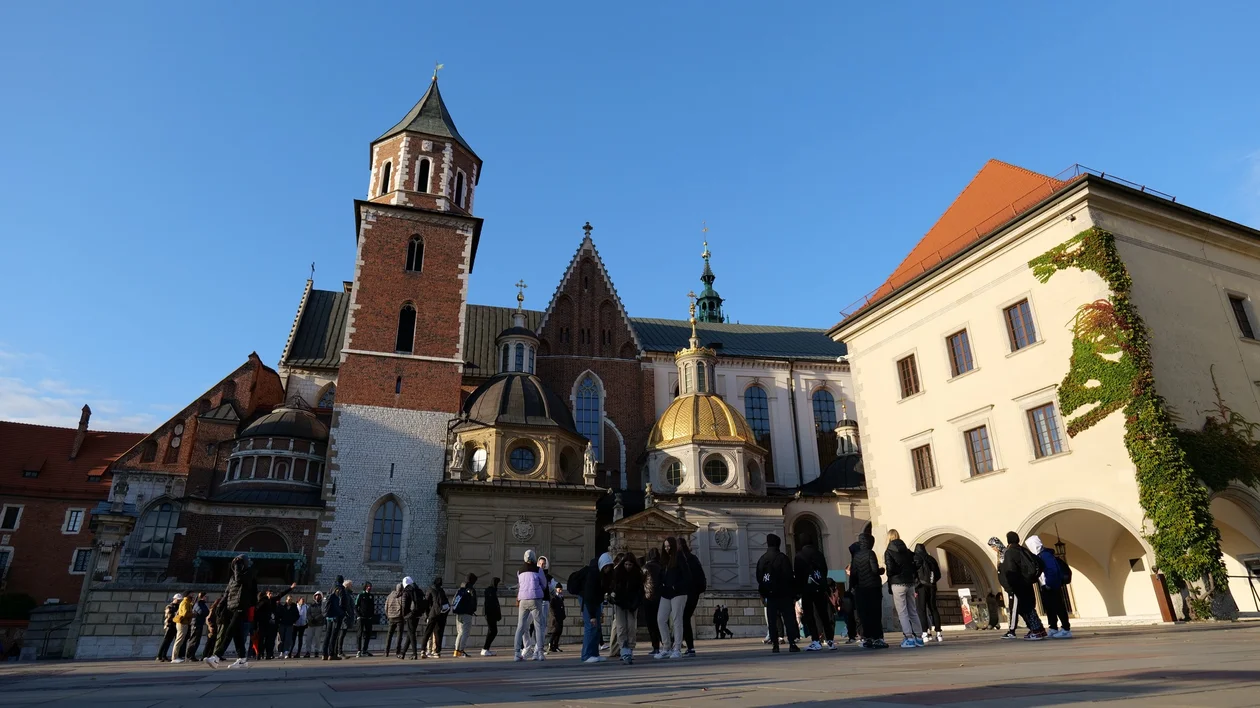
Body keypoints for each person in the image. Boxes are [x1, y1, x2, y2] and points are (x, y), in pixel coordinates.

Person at [204, 555, 272, 669]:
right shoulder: (233, 577)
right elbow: (227, 592)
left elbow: (240, 579)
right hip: (231, 606)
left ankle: (216, 657)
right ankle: (242, 659)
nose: (237, 566)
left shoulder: (249, 573)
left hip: (242, 606)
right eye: (236, 564)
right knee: (237, 634)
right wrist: (221, 605)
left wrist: (237, 566)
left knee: (229, 631)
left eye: (239, 564)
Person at [999, 531, 1048, 640]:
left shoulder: (1010, 552)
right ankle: (1040, 629)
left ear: (1008, 540)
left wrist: (1011, 586)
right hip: (1028, 583)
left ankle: (1035, 631)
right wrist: (1032, 578)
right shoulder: (1023, 549)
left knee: (1025, 608)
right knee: (1030, 607)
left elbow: (1011, 570)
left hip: (1018, 584)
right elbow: (1040, 562)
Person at [755, 533, 799, 654]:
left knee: (772, 620)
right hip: (784, 594)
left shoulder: (762, 559)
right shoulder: (783, 558)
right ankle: (792, 643)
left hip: (770, 595)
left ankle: (775, 644)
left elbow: (759, 577)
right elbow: (789, 576)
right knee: (789, 619)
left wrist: (764, 592)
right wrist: (793, 593)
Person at [1027, 535, 1072, 639]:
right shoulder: (1039, 555)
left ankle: (1066, 629)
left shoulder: (1045, 555)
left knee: (1058, 607)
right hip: (1045, 586)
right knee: (1050, 607)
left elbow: (1052, 571)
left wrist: (1049, 584)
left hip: (1052, 586)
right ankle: (1053, 627)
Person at [884, 529, 924, 648]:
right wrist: (911, 570)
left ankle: (908, 637)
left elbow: (890, 569)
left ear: (889, 538)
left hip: (897, 583)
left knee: (902, 612)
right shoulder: (906, 550)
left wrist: (897, 572)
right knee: (913, 610)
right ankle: (919, 637)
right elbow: (919, 559)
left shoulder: (889, 551)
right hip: (910, 583)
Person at [794, 535, 834, 651]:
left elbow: (798, 574)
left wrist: (798, 590)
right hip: (820, 588)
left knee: (810, 615)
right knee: (824, 614)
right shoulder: (819, 554)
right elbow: (825, 570)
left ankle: (816, 640)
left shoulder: (799, 555)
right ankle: (830, 640)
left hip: (807, 589)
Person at [655, 537, 691, 659]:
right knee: (661, 619)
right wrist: (661, 587)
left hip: (678, 593)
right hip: (666, 593)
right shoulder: (664, 560)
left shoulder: (680, 557)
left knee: (677, 620)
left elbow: (687, 576)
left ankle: (677, 648)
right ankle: (666, 647)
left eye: (669, 546)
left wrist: (676, 586)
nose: (667, 548)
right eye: (665, 546)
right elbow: (661, 576)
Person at [850, 532, 887, 649]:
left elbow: (853, 574)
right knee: (875, 614)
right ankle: (878, 638)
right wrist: (882, 570)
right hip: (873, 588)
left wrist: (852, 586)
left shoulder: (856, 555)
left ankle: (868, 638)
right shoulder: (870, 553)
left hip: (861, 590)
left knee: (864, 615)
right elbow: (875, 570)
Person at [577, 551, 614, 663]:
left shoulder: (604, 575)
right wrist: (592, 615)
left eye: (609, 567)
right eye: (606, 567)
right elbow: (589, 597)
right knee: (591, 626)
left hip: (594, 600)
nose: (608, 569)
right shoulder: (593, 575)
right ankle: (586, 655)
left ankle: (594, 654)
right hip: (587, 599)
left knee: (597, 628)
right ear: (602, 565)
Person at [609, 552, 644, 664]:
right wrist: (612, 597)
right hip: (620, 603)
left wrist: (635, 603)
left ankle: (630, 648)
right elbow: (612, 588)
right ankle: (624, 648)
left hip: (631, 604)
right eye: (626, 564)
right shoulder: (618, 573)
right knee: (621, 626)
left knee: (631, 627)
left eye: (630, 565)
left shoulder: (637, 574)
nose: (628, 567)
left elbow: (640, 591)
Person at [513, 549, 547, 662]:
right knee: (538, 626)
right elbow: (544, 584)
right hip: (535, 599)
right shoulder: (538, 570)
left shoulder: (519, 571)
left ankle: (517, 653)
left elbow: (519, 585)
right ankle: (540, 653)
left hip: (523, 599)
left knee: (520, 626)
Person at [677, 538, 706, 657]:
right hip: (694, 593)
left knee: (682, 619)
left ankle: (684, 645)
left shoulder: (680, 559)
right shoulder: (694, 558)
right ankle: (690, 647)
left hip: (684, 593)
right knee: (686, 618)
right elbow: (701, 575)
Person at [913, 543, 943, 643]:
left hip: (921, 587)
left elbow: (913, 573)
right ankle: (939, 633)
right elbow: (938, 575)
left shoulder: (916, 557)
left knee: (921, 610)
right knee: (933, 609)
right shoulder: (931, 559)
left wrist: (916, 584)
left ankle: (925, 633)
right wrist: (932, 582)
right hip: (932, 587)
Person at [642, 547, 664, 655]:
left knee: (651, 624)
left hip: (648, 598)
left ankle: (655, 647)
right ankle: (665, 644)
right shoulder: (661, 567)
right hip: (660, 598)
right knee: (661, 622)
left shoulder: (645, 567)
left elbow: (641, 581)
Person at [400, 576, 428, 659]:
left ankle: (414, 653)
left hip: (410, 614)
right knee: (410, 633)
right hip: (417, 613)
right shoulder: (418, 590)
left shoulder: (407, 591)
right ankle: (403, 653)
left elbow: (404, 605)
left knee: (411, 634)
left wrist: (404, 615)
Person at [422, 576, 450, 658]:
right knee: (438, 633)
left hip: (432, 614)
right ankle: (437, 652)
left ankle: (423, 650)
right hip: (441, 615)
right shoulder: (441, 591)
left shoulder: (430, 590)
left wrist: (426, 616)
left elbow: (426, 604)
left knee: (427, 632)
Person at [452, 573, 479, 658]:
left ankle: (456, 651)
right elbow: (474, 602)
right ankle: (462, 650)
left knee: (459, 632)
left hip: (458, 612)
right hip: (467, 613)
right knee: (465, 633)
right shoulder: (471, 589)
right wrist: (472, 610)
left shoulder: (460, 588)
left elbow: (454, 600)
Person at [321, 577, 347, 660]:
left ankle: (324, 654)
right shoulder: (340, 589)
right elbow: (343, 602)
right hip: (336, 615)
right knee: (334, 635)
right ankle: (331, 654)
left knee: (327, 635)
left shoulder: (331, 588)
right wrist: (343, 612)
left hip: (329, 615)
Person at [384, 582, 406, 658]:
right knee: (399, 635)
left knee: (389, 635)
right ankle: (397, 651)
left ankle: (386, 651)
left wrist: (388, 615)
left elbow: (386, 606)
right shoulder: (402, 596)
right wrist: (404, 616)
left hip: (391, 617)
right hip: (399, 617)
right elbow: (403, 607)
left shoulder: (390, 596)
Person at [184, 592, 209, 661]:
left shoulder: (202, 604)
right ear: (202, 597)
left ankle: (192, 655)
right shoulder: (198, 603)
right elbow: (202, 612)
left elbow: (206, 612)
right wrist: (206, 612)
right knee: (193, 640)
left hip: (199, 623)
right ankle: (189, 656)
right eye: (205, 596)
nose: (206, 598)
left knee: (197, 640)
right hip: (195, 624)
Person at [157, 593, 182, 663]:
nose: (179, 601)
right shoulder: (170, 606)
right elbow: (169, 616)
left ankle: (163, 655)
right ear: (174, 599)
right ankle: (160, 655)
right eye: (178, 600)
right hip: (170, 625)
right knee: (166, 641)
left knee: (169, 641)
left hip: (175, 625)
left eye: (180, 600)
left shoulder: (178, 606)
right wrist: (176, 614)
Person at [354, 581, 376, 657]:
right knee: (359, 634)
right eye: (368, 586)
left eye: (370, 586)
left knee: (368, 634)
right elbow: (356, 606)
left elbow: (373, 607)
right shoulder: (360, 595)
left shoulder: (371, 596)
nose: (369, 588)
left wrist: (371, 616)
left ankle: (365, 650)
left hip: (368, 618)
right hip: (361, 618)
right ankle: (359, 650)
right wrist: (358, 616)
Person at [482, 577, 501, 657]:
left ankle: (486, 649)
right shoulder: (491, 591)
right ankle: (485, 649)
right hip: (490, 614)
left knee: (492, 631)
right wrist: (497, 614)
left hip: (489, 613)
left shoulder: (490, 590)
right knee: (493, 631)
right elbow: (494, 604)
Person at [546, 584, 566, 653]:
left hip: (560, 617)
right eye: (559, 589)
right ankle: (550, 645)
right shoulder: (554, 597)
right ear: (556, 589)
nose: (560, 590)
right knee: (554, 632)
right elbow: (551, 607)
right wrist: (554, 614)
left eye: (561, 589)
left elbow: (562, 607)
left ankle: (556, 646)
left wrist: (563, 615)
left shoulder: (561, 597)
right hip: (555, 618)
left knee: (559, 632)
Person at [306, 592, 325, 658]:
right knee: (308, 639)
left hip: (319, 624)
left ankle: (316, 651)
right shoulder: (311, 604)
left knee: (317, 639)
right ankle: (308, 651)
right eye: (316, 595)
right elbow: (308, 613)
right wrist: (310, 619)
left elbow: (323, 613)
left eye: (319, 596)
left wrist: (316, 619)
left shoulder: (322, 605)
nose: (317, 597)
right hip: (311, 624)